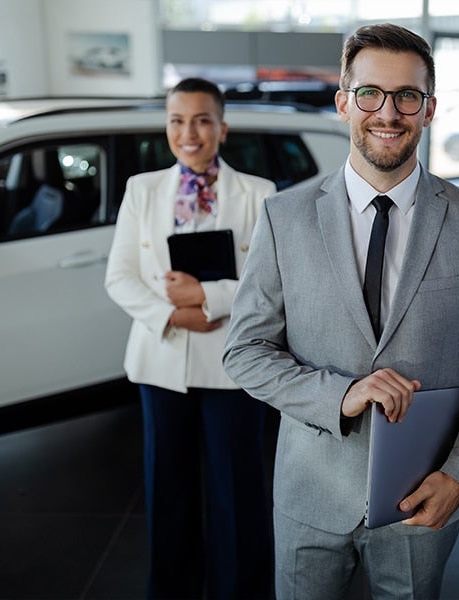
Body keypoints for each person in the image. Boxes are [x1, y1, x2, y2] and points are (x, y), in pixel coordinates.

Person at [222, 22, 459, 600]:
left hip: (423, 495)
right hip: (309, 495)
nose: (387, 113)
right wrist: (340, 395)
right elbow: (244, 352)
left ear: (429, 108)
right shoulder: (283, 219)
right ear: (343, 102)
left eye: (407, 96)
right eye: (370, 93)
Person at [104, 77, 276, 599]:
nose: (190, 133)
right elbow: (119, 277)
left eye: (202, 120)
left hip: (232, 364)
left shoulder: (258, 194)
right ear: (167, 127)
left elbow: (267, 283)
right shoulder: (142, 189)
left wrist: (207, 297)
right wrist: (174, 316)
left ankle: (240, 591)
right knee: (168, 493)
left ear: (222, 128)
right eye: (178, 120)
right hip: (161, 363)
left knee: (237, 496)